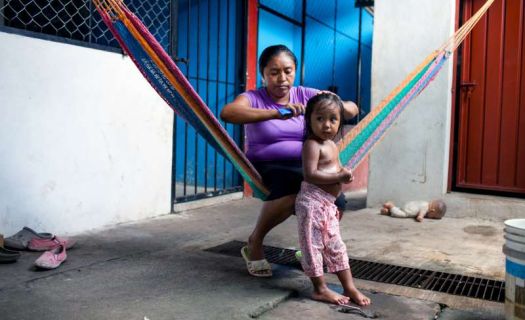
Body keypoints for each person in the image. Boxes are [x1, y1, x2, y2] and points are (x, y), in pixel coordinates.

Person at [220, 44, 359, 277]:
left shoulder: (304, 94)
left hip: (306, 164)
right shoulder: (253, 98)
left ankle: (310, 248)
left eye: (288, 71)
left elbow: (352, 108)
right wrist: (276, 113)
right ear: (263, 73)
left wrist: (335, 107)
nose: (282, 78)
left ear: (295, 71)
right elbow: (228, 113)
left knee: (337, 201)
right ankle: (255, 242)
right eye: (273, 72)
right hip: (269, 165)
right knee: (294, 188)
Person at [295, 92, 370, 306]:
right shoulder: (312, 144)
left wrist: (342, 171)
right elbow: (310, 174)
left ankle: (350, 287)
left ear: (339, 122)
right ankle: (320, 289)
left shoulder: (332, 144)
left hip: (327, 205)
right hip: (312, 204)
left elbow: (333, 167)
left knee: (337, 246)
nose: (326, 125)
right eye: (320, 119)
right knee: (313, 247)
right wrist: (339, 176)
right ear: (309, 120)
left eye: (333, 119)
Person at [380, 199, 447, 222]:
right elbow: (421, 213)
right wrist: (420, 217)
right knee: (401, 214)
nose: (431, 218)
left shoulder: (426, 203)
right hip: (409, 210)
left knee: (400, 210)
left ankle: (387, 211)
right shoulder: (426, 208)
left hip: (409, 205)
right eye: (433, 217)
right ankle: (391, 206)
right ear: (432, 210)